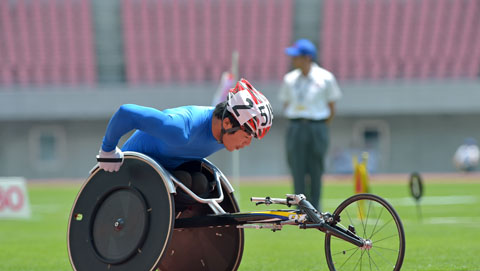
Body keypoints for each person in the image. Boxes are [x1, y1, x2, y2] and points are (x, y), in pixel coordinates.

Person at [97, 78, 273, 196]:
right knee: (185, 182)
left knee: (202, 184)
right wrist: (107, 150)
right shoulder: (180, 129)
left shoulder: (222, 130)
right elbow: (126, 113)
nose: (248, 143)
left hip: (166, 172)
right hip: (128, 173)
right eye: (247, 134)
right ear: (227, 123)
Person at [279, 39, 342, 210]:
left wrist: (320, 126)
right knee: (296, 167)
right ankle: (300, 207)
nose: (293, 60)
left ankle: (315, 207)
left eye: (296, 56)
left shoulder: (326, 78)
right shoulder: (289, 79)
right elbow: (286, 104)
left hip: (317, 126)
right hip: (296, 126)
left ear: (307, 58)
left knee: (316, 168)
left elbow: (331, 107)